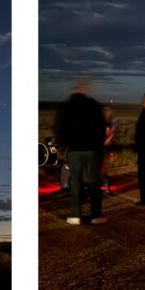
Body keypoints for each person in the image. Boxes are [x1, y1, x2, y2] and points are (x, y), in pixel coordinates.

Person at [54, 78, 108, 225]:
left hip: (74, 151)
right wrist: (100, 145)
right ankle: (96, 215)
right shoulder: (93, 104)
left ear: (74, 90)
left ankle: (75, 215)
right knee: (94, 182)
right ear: (85, 90)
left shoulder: (66, 107)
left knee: (76, 182)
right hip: (92, 150)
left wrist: (62, 146)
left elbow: (60, 128)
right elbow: (102, 126)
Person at [100, 105, 118, 193]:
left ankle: (106, 187)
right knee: (102, 169)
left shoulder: (108, 126)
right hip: (105, 149)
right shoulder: (109, 126)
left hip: (103, 149)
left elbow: (110, 136)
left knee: (102, 169)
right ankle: (106, 186)